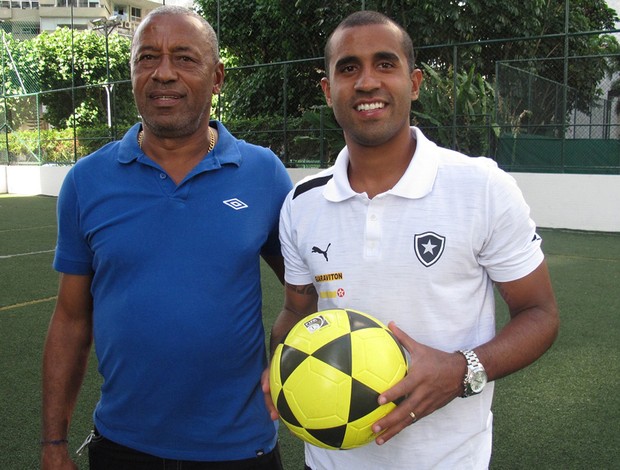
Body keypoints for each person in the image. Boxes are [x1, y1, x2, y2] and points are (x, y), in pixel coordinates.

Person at [264, 10, 559, 470]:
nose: (366, 82)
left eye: (385, 64)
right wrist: (280, 364)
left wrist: (462, 370)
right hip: (329, 461)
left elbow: (539, 314)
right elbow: (296, 309)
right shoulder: (302, 203)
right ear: (328, 90)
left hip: (449, 460)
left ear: (414, 82)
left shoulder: (480, 186)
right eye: (348, 68)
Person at [41, 6, 292, 469]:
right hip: (122, 446)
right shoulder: (85, 181)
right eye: (147, 57)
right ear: (133, 71)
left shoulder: (265, 175)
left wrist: (292, 364)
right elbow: (71, 321)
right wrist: (53, 443)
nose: (163, 74)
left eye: (184, 58)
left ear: (216, 77)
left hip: (240, 448)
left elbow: (304, 294)